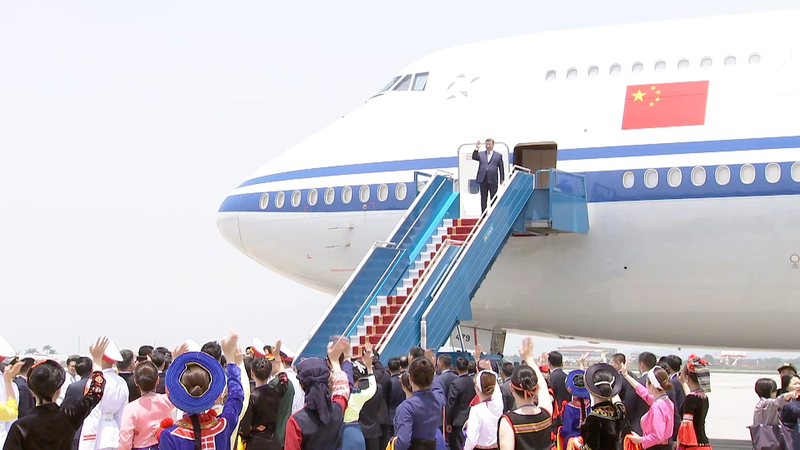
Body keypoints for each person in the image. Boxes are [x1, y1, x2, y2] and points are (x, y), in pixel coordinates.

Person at [3, 337, 109, 450]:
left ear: (32, 391)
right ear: (59, 390)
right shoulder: (69, 416)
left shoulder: (20, 426)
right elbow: (95, 392)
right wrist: (97, 361)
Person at [157, 332, 245, 450]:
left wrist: (175, 364)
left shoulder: (170, 435)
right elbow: (236, 396)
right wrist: (230, 359)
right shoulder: (222, 426)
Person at [284, 338, 351, 450]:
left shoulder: (296, 421)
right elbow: (342, 388)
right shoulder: (337, 410)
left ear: (302, 385)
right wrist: (334, 361)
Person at [497, 337, 554, 450]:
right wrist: (529, 359)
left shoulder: (508, 421)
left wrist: (527, 358)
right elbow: (543, 387)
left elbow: (541, 386)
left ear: (511, 388)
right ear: (535, 387)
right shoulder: (546, 414)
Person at [387, 350, 447, 450]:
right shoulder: (438, 399)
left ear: (410, 377)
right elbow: (438, 389)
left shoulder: (407, 407)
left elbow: (403, 442)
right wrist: (431, 368)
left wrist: (393, 442)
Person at [79, 337, 130, 450]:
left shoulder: (95, 381)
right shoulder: (121, 381)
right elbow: (122, 414)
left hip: (98, 437)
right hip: (115, 434)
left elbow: (92, 415)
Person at [118, 361, 174, 450]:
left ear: (136, 382)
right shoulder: (168, 400)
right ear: (158, 380)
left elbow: (125, 437)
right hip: (165, 445)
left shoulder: (131, 408)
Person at [619, 361, 674, 450]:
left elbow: (657, 436)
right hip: (664, 446)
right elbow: (643, 392)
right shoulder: (666, 401)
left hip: (655, 447)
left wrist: (640, 440)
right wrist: (626, 375)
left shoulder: (657, 406)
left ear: (651, 385)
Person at [238, 354, 289, 450]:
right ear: (270, 373)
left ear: (252, 373)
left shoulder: (251, 397)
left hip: (255, 443)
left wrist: (245, 437)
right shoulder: (277, 391)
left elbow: (244, 428)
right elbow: (284, 379)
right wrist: (277, 357)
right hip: (274, 441)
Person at [580, 363, 626, 450]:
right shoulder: (618, 410)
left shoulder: (593, 418)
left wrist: (578, 445)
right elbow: (618, 401)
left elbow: (591, 448)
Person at [342, 344, 377, 450]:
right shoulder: (359, 396)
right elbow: (373, 388)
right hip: (357, 433)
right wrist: (369, 368)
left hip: (342, 433)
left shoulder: (339, 396)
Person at [750, 377, 799, 449]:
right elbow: (778, 401)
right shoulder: (767, 404)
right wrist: (790, 395)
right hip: (769, 440)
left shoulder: (760, 404)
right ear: (772, 391)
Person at [675, 356, 711, 450]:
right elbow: (690, 396)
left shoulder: (691, 399)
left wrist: (679, 446)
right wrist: (683, 383)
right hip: (704, 444)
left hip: (692, 446)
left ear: (687, 377)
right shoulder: (704, 397)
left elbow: (686, 428)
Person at [463, 369, 503, 450]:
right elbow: (497, 391)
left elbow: (472, 439)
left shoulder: (476, 410)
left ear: (477, 388)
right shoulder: (498, 405)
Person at [560, 370, 591, 450]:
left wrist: (560, 431)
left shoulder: (569, 407)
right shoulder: (588, 403)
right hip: (586, 438)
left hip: (573, 440)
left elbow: (567, 429)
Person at [446, 357, 473, 450]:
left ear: (456, 368)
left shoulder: (455, 383)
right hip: (471, 418)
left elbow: (451, 404)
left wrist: (448, 422)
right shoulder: (473, 382)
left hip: (458, 421)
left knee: (457, 446)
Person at [472, 139, 505, 213]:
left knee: (493, 197)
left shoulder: (498, 155)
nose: (488, 146)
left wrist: (502, 178)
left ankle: (494, 213)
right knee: (483, 197)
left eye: (489, 144)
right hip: (483, 179)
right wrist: (477, 148)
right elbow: (474, 157)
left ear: (493, 145)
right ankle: (483, 213)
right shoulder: (481, 154)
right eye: (486, 144)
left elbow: (501, 167)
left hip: (493, 179)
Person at [779, 374, 800, 450]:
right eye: (795, 384)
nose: (798, 386)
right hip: (789, 437)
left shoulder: (795, 399)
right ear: (786, 387)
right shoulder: (786, 400)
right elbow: (796, 411)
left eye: (799, 383)